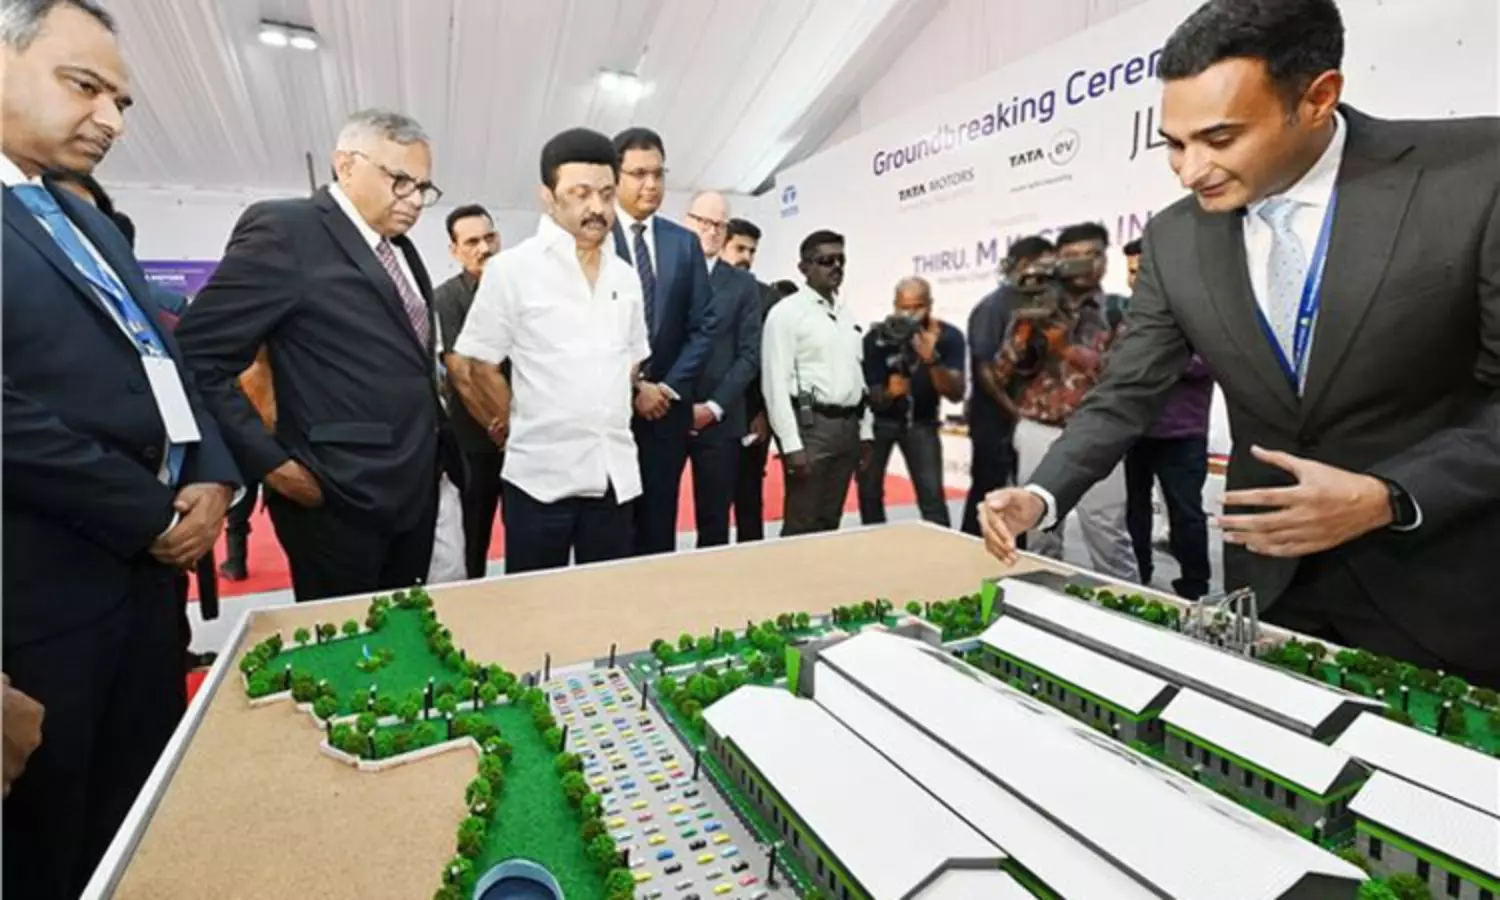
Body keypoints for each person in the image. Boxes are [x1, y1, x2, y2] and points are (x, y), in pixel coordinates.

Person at [981, 0, 1500, 686]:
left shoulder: (1475, 175)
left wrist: (1389, 494)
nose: (1189, 171)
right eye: (1174, 143)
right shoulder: (1175, 236)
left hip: (1441, 586)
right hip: (1273, 590)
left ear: (1317, 98)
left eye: (1219, 139)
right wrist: (1040, 497)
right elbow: (1126, 390)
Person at [1, 2, 241, 897]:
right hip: (41, 602)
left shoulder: (84, 220)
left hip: (145, 593)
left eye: (122, 102)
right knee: (49, 850)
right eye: (84, 86)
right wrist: (147, 514)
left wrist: (213, 473)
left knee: (139, 822)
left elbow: (162, 359)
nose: (111, 119)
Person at [180, 108, 461, 602]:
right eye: (400, 181)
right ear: (346, 164)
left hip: (413, 488)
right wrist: (271, 463)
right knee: (345, 640)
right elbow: (198, 357)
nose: (415, 200)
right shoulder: (287, 231)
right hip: (334, 495)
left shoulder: (400, 248)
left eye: (423, 187)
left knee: (404, 630)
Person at [452, 128, 647, 573]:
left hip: (614, 476)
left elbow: (633, 359)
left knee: (610, 601)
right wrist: (517, 427)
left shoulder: (625, 275)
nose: (597, 207)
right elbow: (479, 364)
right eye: (580, 193)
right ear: (548, 196)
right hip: (539, 481)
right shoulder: (512, 270)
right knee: (535, 605)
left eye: (606, 194)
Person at [998, 222, 1139, 581]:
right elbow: (1004, 370)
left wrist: (1066, 349)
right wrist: (1026, 330)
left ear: (1104, 260)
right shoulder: (1033, 306)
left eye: (1092, 254)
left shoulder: (1120, 310)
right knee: (1037, 531)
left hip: (1100, 432)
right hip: (1038, 429)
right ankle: (1040, 600)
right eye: (1072, 256)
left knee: (1107, 534)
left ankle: (1124, 605)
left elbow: (1124, 376)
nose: (1083, 264)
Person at [611, 127, 718, 556]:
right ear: (615, 176)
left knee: (658, 530)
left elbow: (703, 326)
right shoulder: (595, 239)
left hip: (667, 414)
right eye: (639, 174)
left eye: (658, 173)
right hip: (610, 411)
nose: (651, 184)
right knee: (611, 532)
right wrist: (635, 387)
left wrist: (666, 388)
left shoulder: (683, 243)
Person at [1119, 238, 1214, 599]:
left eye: (1142, 270)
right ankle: (1139, 574)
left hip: (1182, 434)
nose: (1136, 278)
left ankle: (1195, 586)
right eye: (1131, 271)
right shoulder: (1128, 316)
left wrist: (1150, 359)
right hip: (1134, 430)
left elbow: (1205, 364)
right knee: (1135, 510)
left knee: (1186, 513)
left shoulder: (1197, 312)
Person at [762, 230, 873, 535]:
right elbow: (775, 384)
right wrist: (791, 444)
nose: (836, 266)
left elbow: (858, 377)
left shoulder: (846, 314)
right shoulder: (786, 314)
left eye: (840, 260)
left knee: (829, 521)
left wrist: (865, 432)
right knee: (802, 523)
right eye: (826, 260)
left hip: (847, 429)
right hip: (810, 427)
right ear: (804, 267)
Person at [682, 193, 762, 547]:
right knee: (653, 519)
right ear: (687, 221)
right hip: (664, 413)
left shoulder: (743, 285)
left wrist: (713, 407)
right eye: (704, 222)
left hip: (721, 419)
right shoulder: (665, 272)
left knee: (715, 522)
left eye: (719, 224)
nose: (712, 231)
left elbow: (749, 354)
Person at [960, 237, 1052, 536]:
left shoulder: (1044, 306)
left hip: (1027, 417)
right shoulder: (992, 307)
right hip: (995, 418)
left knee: (1024, 495)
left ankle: (1015, 550)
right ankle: (972, 547)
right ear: (1025, 265)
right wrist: (1015, 413)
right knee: (989, 491)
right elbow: (984, 370)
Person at [858, 277, 965, 526]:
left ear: (930, 305)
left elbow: (956, 393)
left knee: (932, 498)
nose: (910, 314)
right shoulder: (876, 338)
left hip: (922, 424)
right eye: (904, 307)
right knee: (869, 493)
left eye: (917, 307)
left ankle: (940, 546)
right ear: (894, 305)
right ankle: (874, 544)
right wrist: (888, 393)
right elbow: (869, 394)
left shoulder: (948, 337)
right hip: (879, 424)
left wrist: (932, 359)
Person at [433, 203, 503, 579]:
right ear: (454, 250)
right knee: (474, 535)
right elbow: (462, 375)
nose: (484, 248)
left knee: (531, 535)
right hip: (475, 439)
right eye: (472, 242)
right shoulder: (446, 298)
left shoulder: (521, 290)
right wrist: (496, 426)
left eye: (489, 238)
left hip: (527, 437)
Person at [720, 218, 783, 542]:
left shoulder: (768, 297)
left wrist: (763, 413)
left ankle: (753, 561)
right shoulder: (701, 289)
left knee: (749, 499)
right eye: (739, 248)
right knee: (713, 504)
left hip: (751, 415)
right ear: (721, 245)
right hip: (709, 414)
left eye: (752, 251)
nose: (746, 257)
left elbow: (772, 362)